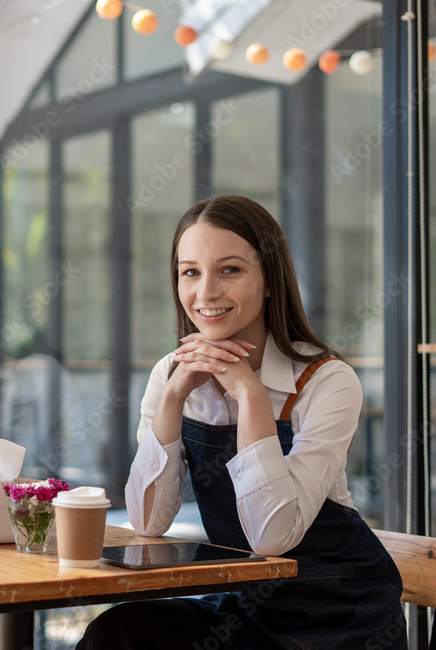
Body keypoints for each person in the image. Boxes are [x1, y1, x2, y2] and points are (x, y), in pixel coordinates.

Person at [78, 195, 406, 649]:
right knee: (116, 633)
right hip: (247, 609)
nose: (206, 292)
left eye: (229, 270)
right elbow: (148, 522)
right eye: (190, 272)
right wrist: (174, 396)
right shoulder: (170, 376)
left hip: (341, 617)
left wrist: (249, 393)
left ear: (270, 281)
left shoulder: (327, 381)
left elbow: (271, 537)